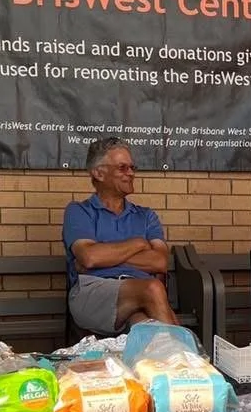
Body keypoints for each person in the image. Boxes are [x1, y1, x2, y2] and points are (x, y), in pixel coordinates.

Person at [62, 137, 177, 333]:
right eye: (123, 168)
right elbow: (90, 257)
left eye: (133, 167)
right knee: (153, 288)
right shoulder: (79, 211)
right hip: (93, 291)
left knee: (142, 324)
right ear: (99, 173)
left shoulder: (146, 215)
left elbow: (159, 262)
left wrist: (105, 254)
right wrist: (139, 243)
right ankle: (185, 359)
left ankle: (170, 359)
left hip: (137, 294)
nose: (131, 173)